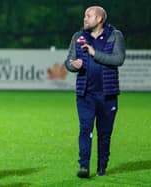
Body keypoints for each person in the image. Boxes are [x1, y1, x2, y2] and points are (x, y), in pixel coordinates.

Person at [64, 6, 125, 178]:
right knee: (85, 130)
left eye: (88, 16)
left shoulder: (115, 35)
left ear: (99, 19)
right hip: (85, 95)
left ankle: (102, 167)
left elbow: (119, 59)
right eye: (84, 16)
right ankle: (84, 166)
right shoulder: (78, 37)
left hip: (108, 95)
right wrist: (72, 65)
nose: (85, 19)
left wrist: (94, 53)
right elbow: (68, 61)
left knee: (104, 134)